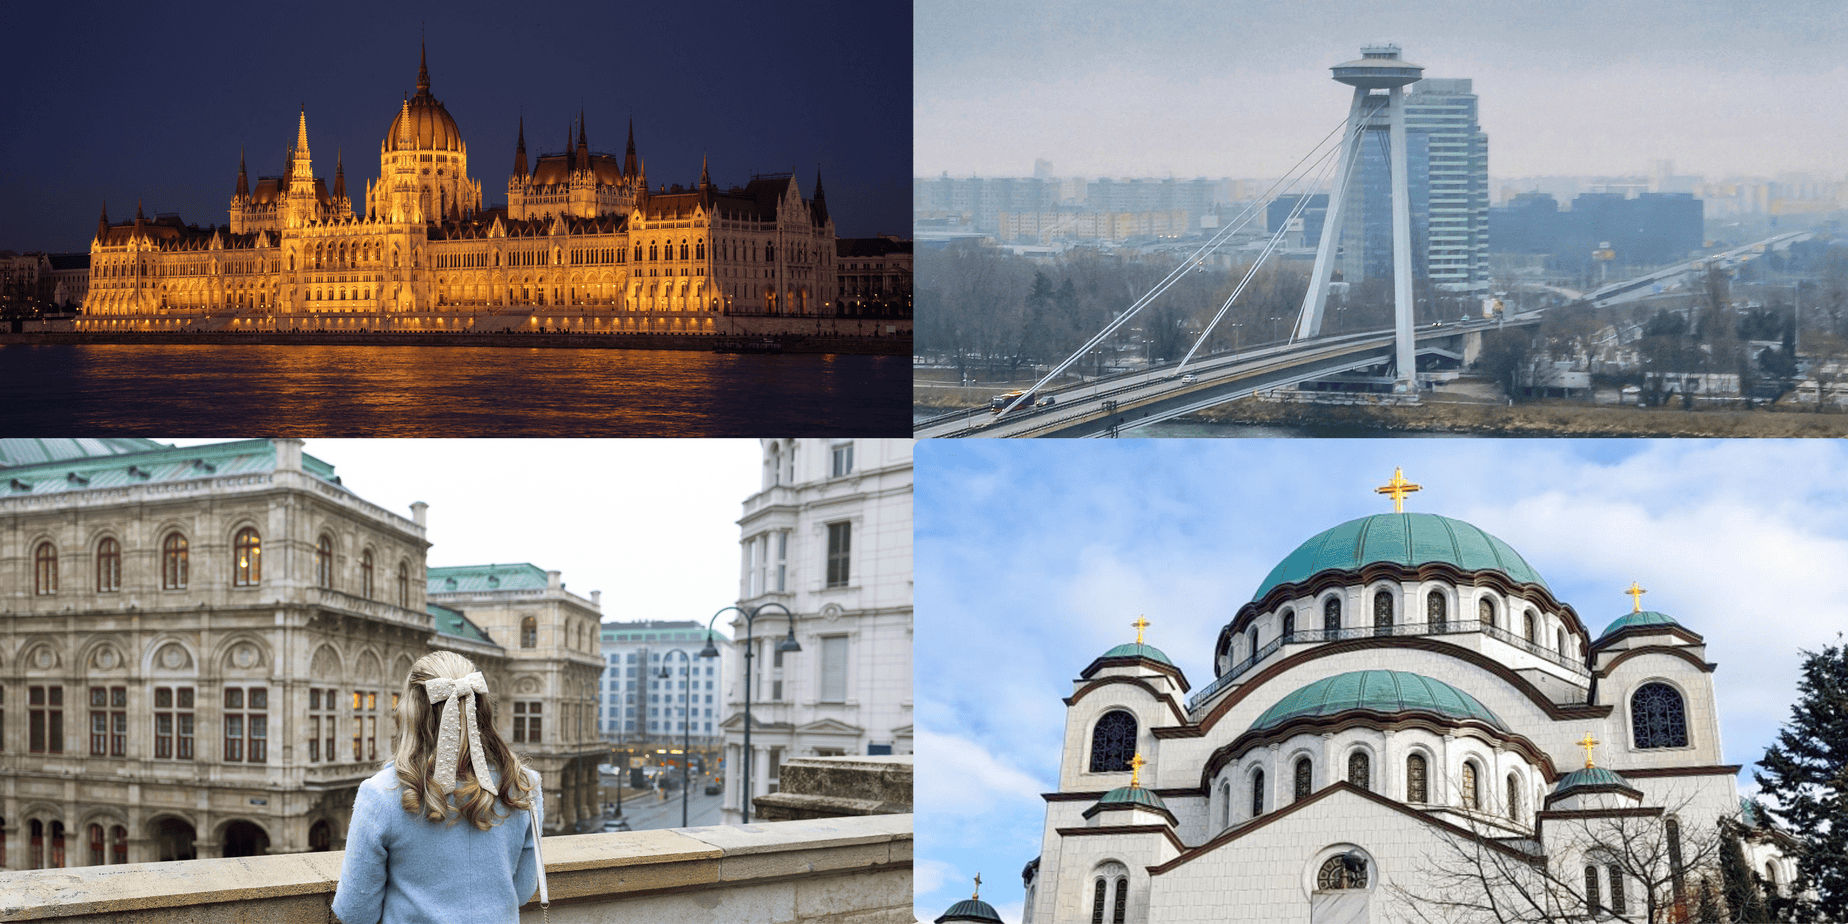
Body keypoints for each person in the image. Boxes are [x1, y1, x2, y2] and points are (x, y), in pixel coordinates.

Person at [331, 652, 544, 924]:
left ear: (412, 710)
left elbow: (356, 911)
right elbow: (523, 890)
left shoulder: (381, 794)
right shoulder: (524, 785)